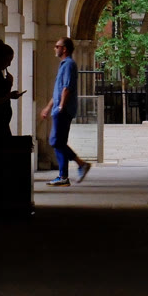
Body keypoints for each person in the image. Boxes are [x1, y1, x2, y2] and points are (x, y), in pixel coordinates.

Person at [42, 36, 91, 186]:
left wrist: (61, 106)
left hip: (63, 109)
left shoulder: (69, 64)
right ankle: (66, 174)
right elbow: (58, 91)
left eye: (57, 46)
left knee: (56, 141)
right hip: (59, 108)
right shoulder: (64, 65)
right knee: (59, 141)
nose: (55, 48)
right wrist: (48, 107)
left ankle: (76, 167)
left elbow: (67, 88)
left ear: (64, 49)